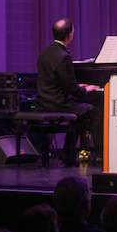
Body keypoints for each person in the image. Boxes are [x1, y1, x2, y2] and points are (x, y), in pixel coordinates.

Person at [36, 18, 102, 166]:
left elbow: (58, 82)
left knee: (80, 114)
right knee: (93, 111)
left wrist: (79, 86)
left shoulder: (45, 53)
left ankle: (68, 152)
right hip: (58, 104)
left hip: (44, 102)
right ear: (69, 35)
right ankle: (99, 153)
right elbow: (71, 89)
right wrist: (86, 89)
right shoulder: (64, 56)